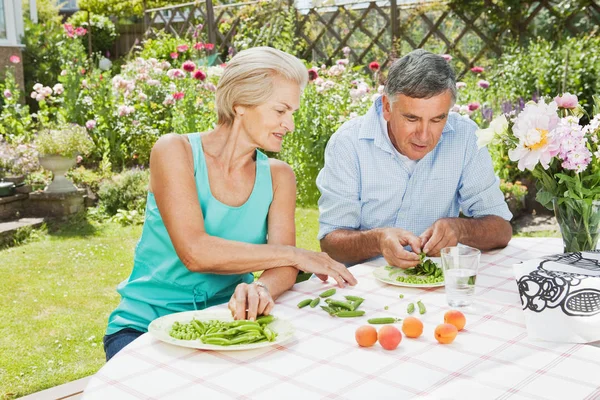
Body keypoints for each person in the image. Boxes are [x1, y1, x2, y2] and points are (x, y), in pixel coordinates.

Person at [103, 47, 357, 361]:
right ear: (240, 104)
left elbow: (282, 269)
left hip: (228, 326)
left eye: (292, 113)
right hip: (144, 327)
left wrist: (262, 288)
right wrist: (296, 254)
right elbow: (195, 253)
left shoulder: (279, 177)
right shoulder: (175, 151)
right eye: (280, 111)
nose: (289, 124)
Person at [317, 49, 512, 269]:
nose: (424, 135)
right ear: (388, 107)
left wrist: (460, 229)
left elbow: (502, 229)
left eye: (438, 119)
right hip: (360, 284)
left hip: (430, 286)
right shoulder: (348, 143)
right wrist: (377, 241)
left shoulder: (464, 136)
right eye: (412, 118)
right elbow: (330, 242)